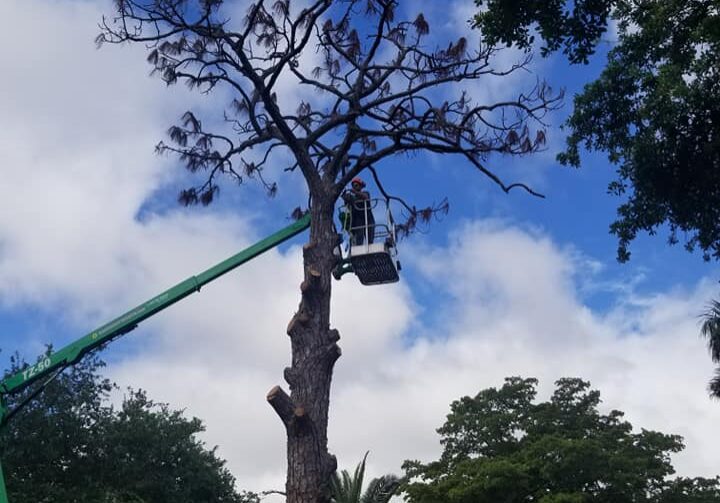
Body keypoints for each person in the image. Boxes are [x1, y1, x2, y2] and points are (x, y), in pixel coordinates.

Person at [341, 177, 375, 245]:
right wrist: (344, 196)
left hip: (369, 219)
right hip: (358, 220)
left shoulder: (366, 193)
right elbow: (347, 204)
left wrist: (355, 192)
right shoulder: (353, 198)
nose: (354, 187)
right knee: (359, 237)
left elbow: (365, 197)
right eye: (353, 186)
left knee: (370, 239)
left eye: (356, 185)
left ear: (360, 186)